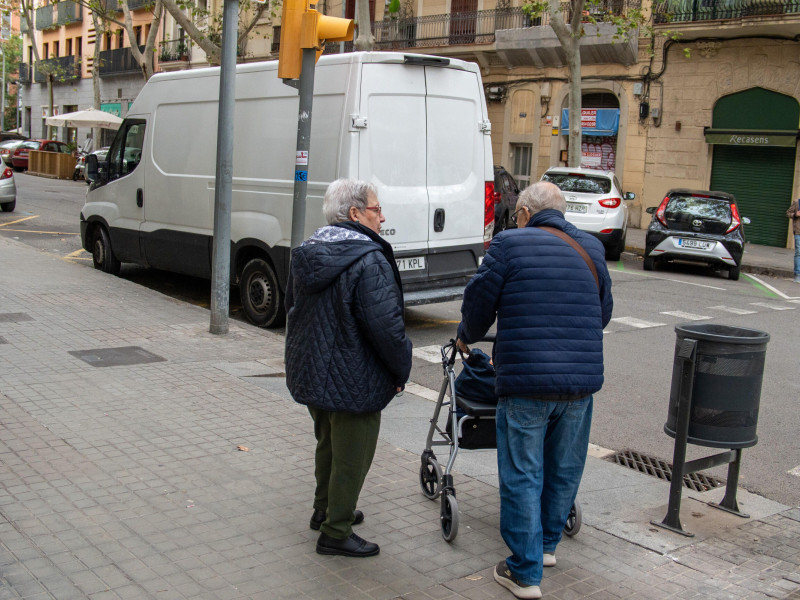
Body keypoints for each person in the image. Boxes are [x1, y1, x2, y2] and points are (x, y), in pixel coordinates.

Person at [457, 181, 613, 599]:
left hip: (526, 382)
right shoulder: (592, 248)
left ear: (524, 212)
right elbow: (603, 313)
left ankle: (524, 572)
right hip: (579, 384)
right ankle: (544, 547)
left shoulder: (509, 244)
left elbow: (479, 303)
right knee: (564, 467)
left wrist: (465, 336)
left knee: (523, 473)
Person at [284, 178, 412, 558]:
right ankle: (336, 530)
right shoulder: (369, 258)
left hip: (312, 368)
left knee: (328, 443)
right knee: (353, 453)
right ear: (355, 213)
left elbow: (292, 307)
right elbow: (386, 327)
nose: (382, 216)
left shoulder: (308, 250)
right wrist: (400, 369)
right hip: (354, 375)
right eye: (376, 209)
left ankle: (324, 509)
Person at [786, 198, 800, 283]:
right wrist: (795, 214)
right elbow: (788, 213)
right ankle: (797, 275)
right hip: (798, 231)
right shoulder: (797, 202)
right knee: (798, 252)